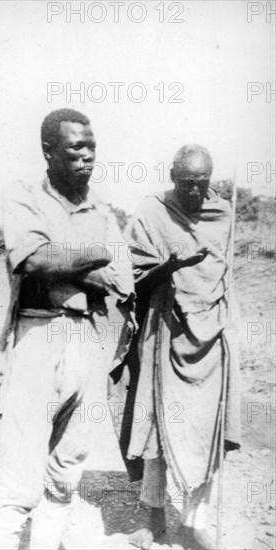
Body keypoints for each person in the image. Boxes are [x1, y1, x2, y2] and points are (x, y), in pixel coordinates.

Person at [0, 108, 135, 550]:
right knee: (20, 482)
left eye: (91, 148)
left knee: (67, 467)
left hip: (86, 338)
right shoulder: (22, 196)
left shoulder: (100, 208)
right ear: (48, 151)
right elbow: (32, 260)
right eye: (75, 148)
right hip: (37, 336)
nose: (87, 157)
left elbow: (121, 280)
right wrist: (94, 258)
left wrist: (66, 263)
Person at [117, 144, 241, 550]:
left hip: (212, 331)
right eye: (188, 184)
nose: (195, 192)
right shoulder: (152, 211)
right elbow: (130, 278)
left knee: (208, 425)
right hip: (165, 328)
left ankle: (195, 520)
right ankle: (153, 516)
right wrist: (169, 267)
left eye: (203, 184)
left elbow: (223, 272)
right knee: (156, 422)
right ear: (172, 177)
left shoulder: (223, 212)